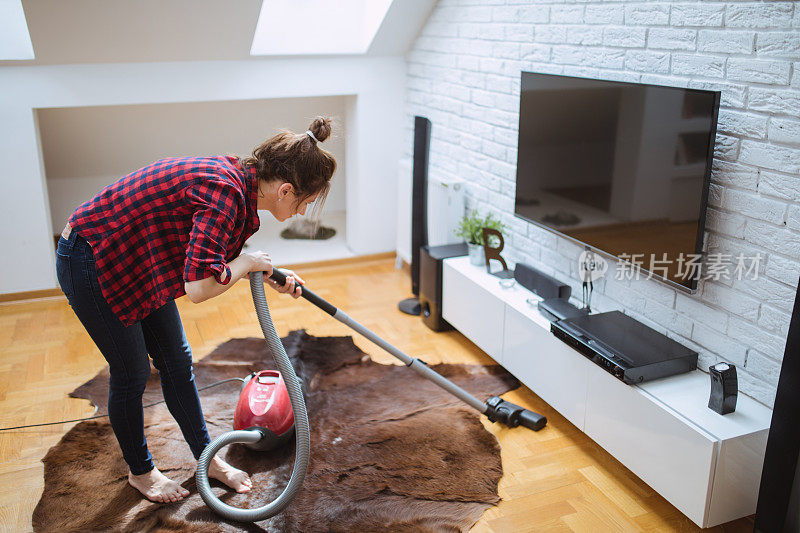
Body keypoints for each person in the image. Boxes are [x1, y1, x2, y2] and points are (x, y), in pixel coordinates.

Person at [55, 117, 336, 503]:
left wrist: (269, 272)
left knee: (176, 361)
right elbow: (199, 289)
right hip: (93, 257)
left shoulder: (240, 182)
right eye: (304, 203)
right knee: (132, 372)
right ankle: (142, 472)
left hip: (139, 258)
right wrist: (249, 263)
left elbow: (217, 252)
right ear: (285, 190)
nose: (302, 212)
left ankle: (209, 460)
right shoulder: (225, 190)